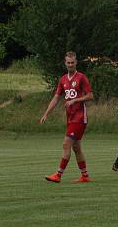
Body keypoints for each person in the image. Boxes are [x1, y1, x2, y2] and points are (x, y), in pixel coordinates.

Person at [40, 52, 94, 183]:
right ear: (65, 63)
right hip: (70, 118)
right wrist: (46, 113)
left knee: (66, 144)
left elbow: (90, 96)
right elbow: (56, 98)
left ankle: (58, 175)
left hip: (80, 117)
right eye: (68, 62)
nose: (70, 64)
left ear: (76, 63)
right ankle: (85, 176)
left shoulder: (81, 77)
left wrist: (75, 100)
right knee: (76, 148)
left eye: (72, 62)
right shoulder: (63, 79)